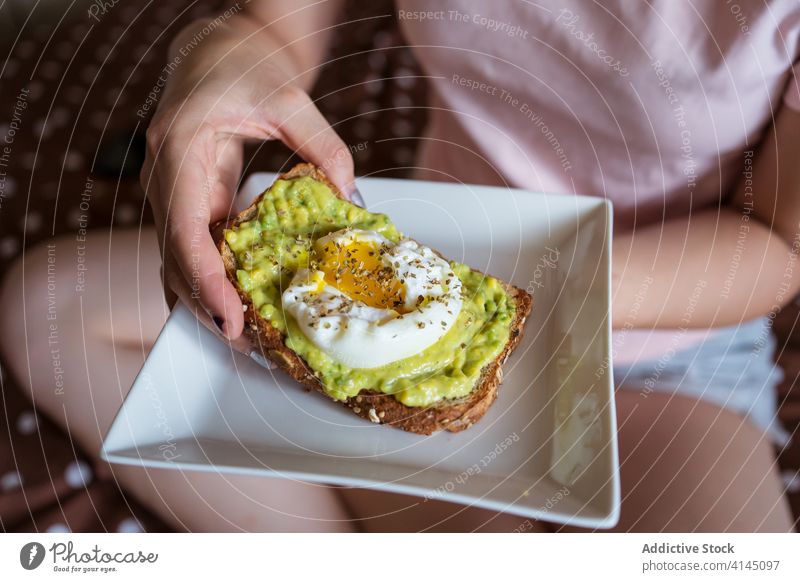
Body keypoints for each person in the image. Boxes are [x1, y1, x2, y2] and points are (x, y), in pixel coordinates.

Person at [2, 0, 798, 532]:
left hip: (668, 348)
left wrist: (506, 286)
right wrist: (213, 66)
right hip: (397, 264)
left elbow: (778, 243)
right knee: (45, 306)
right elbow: (272, 24)